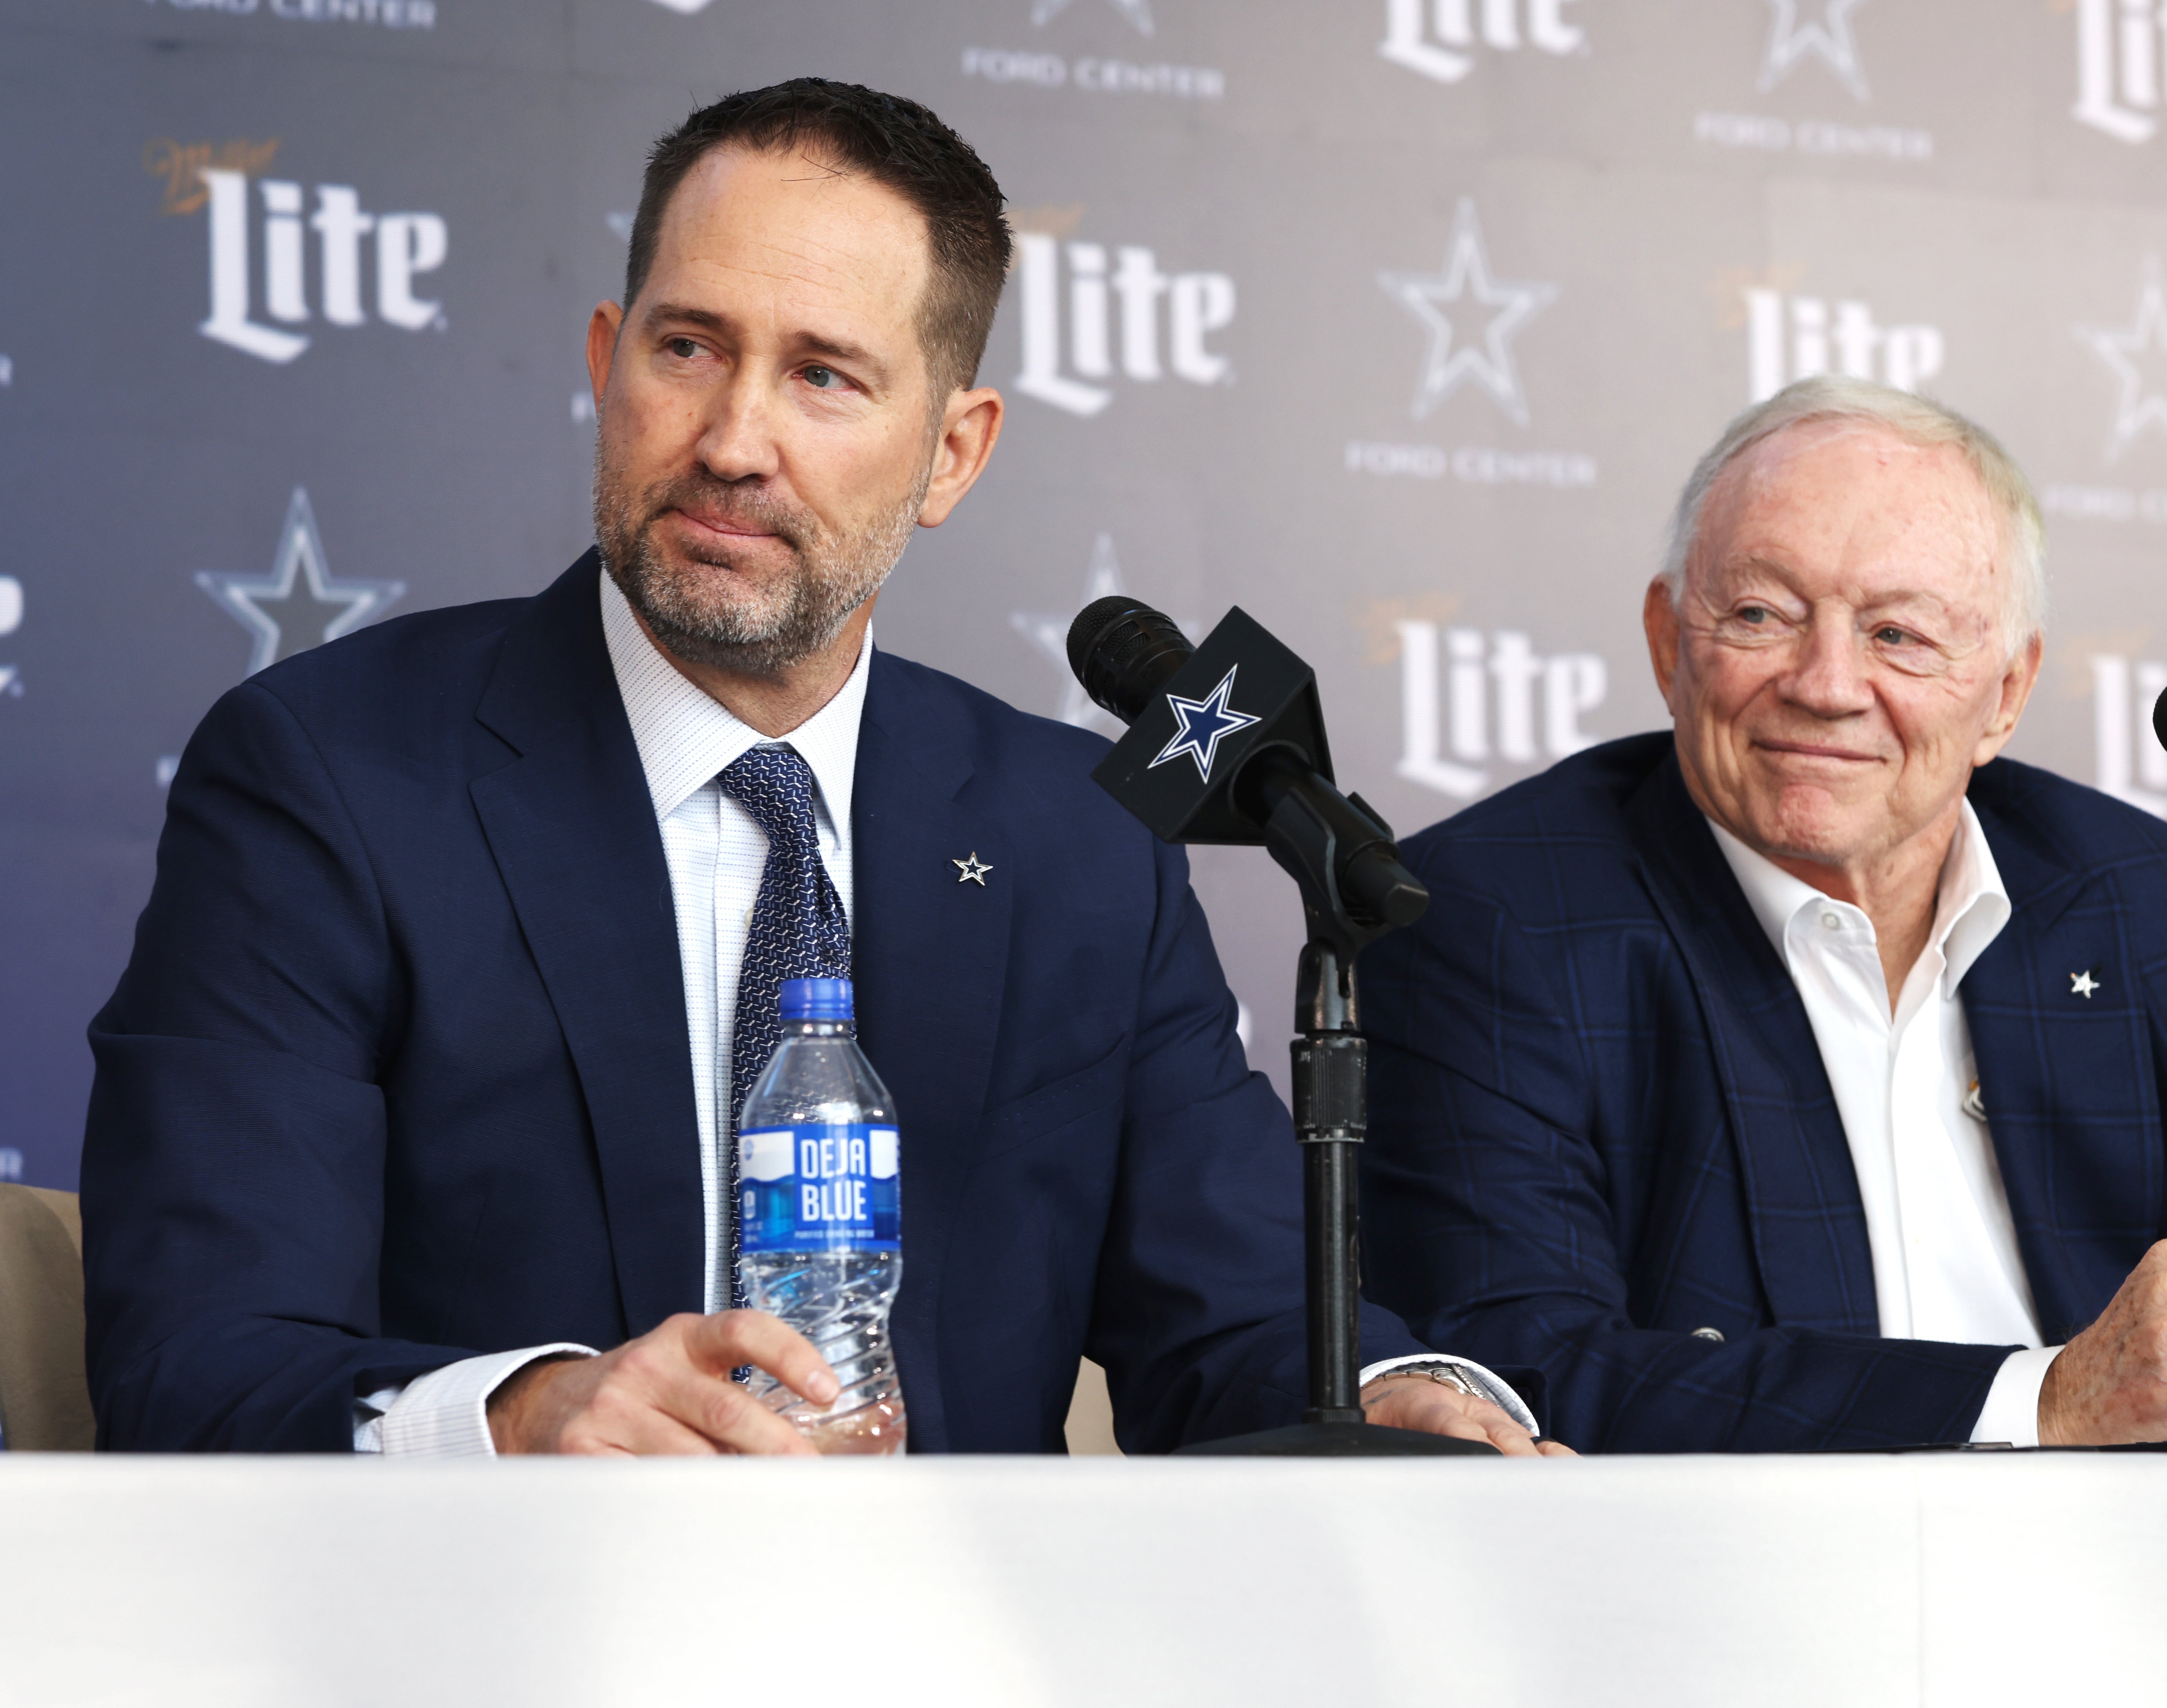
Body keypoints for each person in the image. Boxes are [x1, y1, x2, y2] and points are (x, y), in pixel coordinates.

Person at [82, 80, 1560, 1458]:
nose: (733, 440)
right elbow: (195, 1354)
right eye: (688, 348)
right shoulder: (331, 776)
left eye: (826, 378)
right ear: (608, 362)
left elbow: (1238, 1323)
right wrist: (530, 1417)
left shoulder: (1076, 842)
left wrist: (1394, 1400)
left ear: (951, 455)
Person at [1357, 376, 2167, 1451]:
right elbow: (1513, 1379)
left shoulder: (2150, 902)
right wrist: (2045, 1400)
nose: (1824, 684)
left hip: (2157, 1608)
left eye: (1897, 635)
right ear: (1670, 642)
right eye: (1762, 614)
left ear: (2005, 692)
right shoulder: (1488, 915)